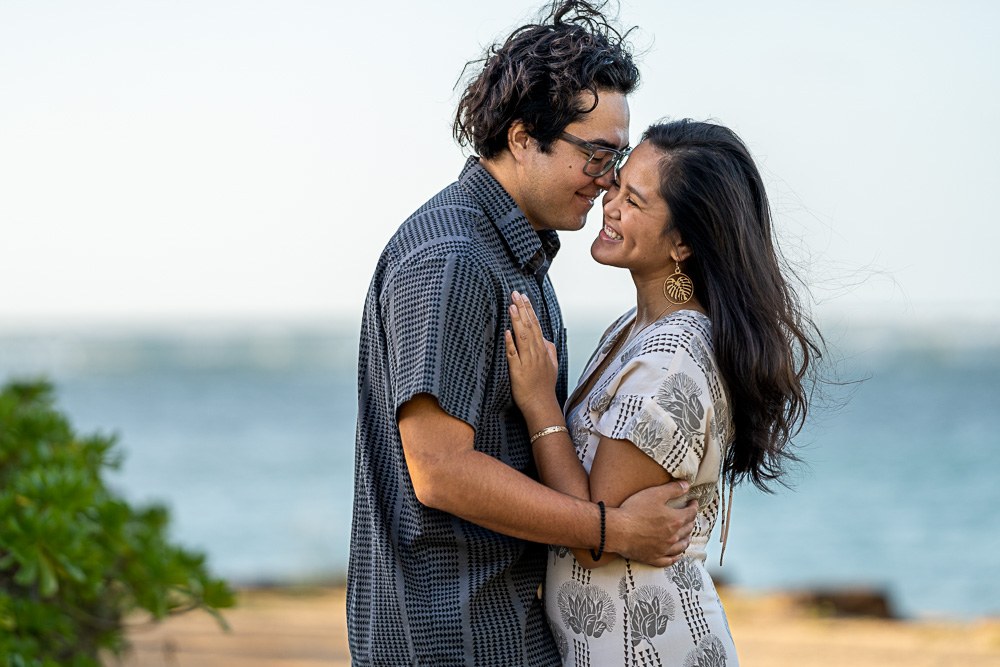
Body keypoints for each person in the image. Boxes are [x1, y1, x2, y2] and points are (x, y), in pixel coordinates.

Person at [347, 3, 699, 665]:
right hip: (451, 635)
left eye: (617, 157)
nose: (609, 180)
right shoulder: (453, 258)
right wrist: (614, 529)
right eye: (595, 154)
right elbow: (439, 470)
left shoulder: (515, 250)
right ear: (520, 137)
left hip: (500, 623)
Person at [505, 119, 823, 666]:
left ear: (681, 243)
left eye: (634, 199)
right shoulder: (636, 330)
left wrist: (539, 403)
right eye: (617, 184)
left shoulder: (670, 359)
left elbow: (592, 532)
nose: (609, 201)